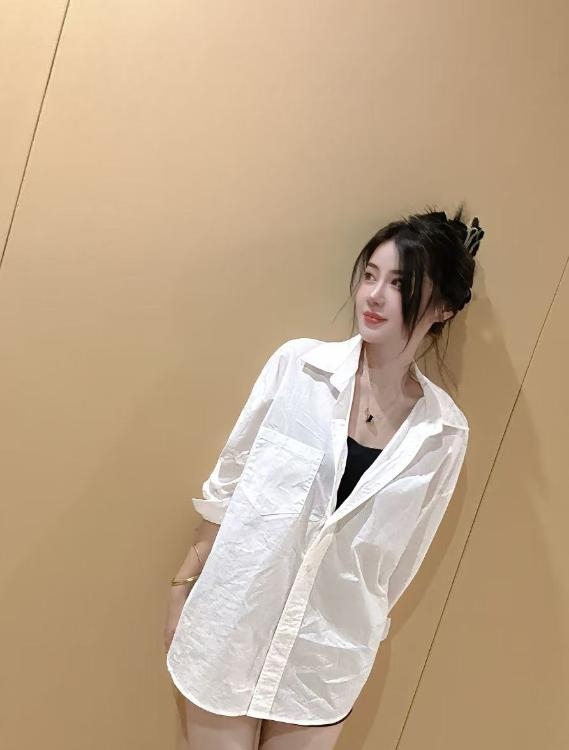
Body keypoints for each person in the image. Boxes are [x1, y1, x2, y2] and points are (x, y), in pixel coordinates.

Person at [164, 204, 484, 750]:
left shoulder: (443, 434)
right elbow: (230, 482)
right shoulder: (298, 367)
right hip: (231, 624)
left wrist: (356, 633)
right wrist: (182, 586)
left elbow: (400, 565)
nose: (374, 295)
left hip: (324, 659)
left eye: (399, 284)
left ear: (444, 308)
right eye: (370, 275)